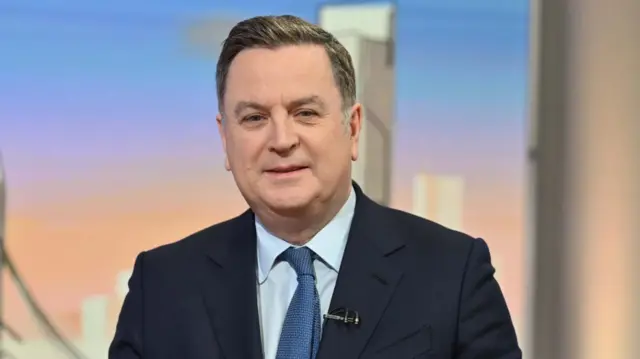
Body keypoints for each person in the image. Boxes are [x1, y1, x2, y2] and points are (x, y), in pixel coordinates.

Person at [109, 14, 521, 359]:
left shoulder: (453, 272)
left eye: (305, 113)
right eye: (254, 118)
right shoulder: (162, 285)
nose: (282, 139)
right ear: (225, 139)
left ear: (353, 127)